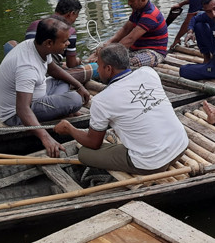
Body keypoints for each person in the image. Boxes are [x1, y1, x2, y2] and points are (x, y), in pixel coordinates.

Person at [54, 44, 188, 174]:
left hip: (152, 163)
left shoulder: (101, 100)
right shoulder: (148, 72)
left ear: (108, 69)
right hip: (181, 145)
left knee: (84, 153)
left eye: (98, 66)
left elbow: (93, 143)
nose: (98, 71)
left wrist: (69, 129)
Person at [0, 17, 91, 157]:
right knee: (74, 99)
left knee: (63, 81)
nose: (68, 43)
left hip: (36, 95)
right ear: (49, 43)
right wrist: (46, 138)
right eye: (64, 41)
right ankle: (62, 109)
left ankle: (60, 109)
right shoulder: (27, 67)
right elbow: (22, 109)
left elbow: (53, 70)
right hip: (15, 115)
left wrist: (79, 85)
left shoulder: (37, 47)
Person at [95, 0, 168, 68]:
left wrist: (110, 53)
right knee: (101, 49)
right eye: (128, 0)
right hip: (135, 50)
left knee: (132, 62)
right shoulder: (137, 10)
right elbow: (125, 29)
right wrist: (108, 43)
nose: (129, 3)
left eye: (132, 1)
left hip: (153, 52)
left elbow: (131, 38)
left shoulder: (151, 15)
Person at [19, 0, 83, 67]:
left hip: (26, 62)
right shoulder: (68, 30)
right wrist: (78, 61)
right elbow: (71, 65)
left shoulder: (33, 25)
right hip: (46, 68)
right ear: (71, 14)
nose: (74, 20)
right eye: (76, 17)